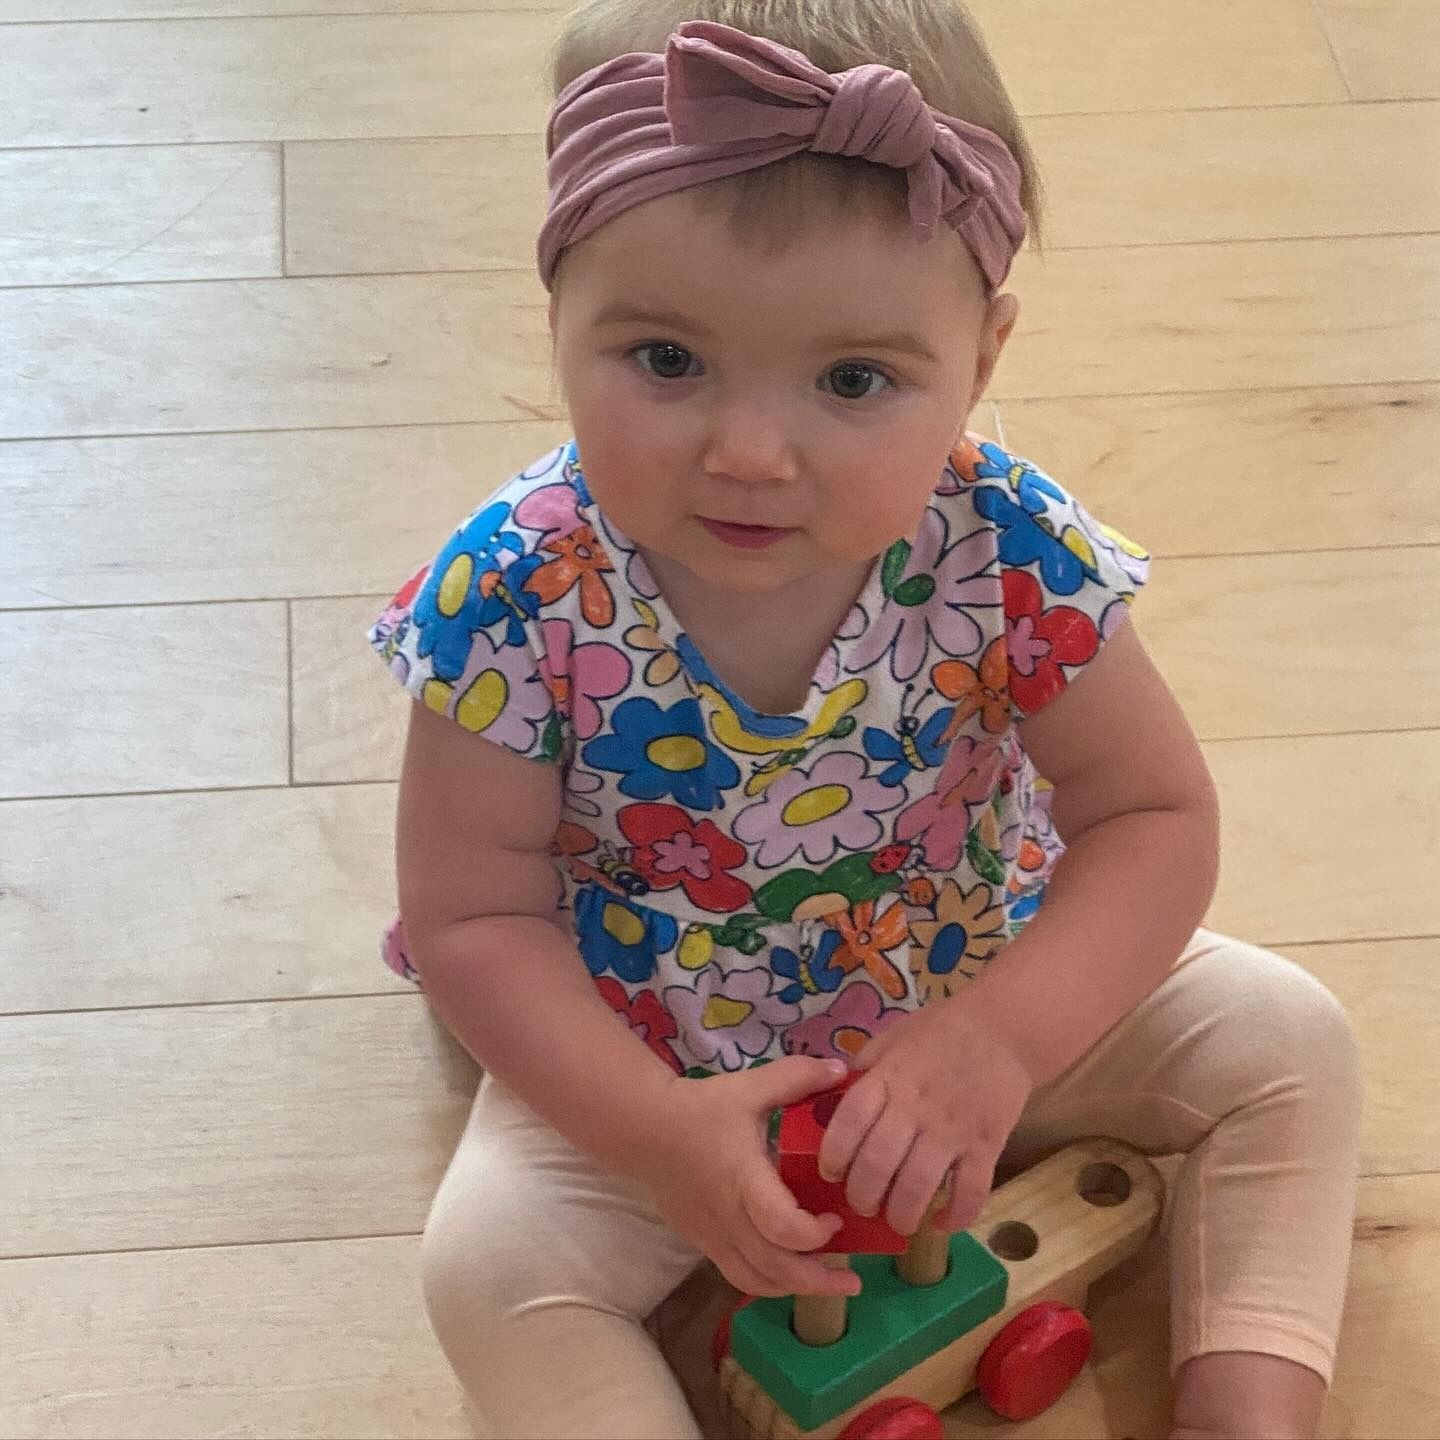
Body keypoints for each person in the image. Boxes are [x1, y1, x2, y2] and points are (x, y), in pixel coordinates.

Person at [368, 4, 1363, 1436]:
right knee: (489, 1268)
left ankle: (1248, 1406)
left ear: (983, 354)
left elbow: (1151, 818)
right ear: (557, 309)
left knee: (1291, 1039)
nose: (752, 452)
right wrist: (654, 1136)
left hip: (970, 971)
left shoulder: (1011, 546)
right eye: (664, 358)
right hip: (649, 1046)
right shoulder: (511, 594)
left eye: (853, 382)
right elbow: (473, 921)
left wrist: (1006, 1039)